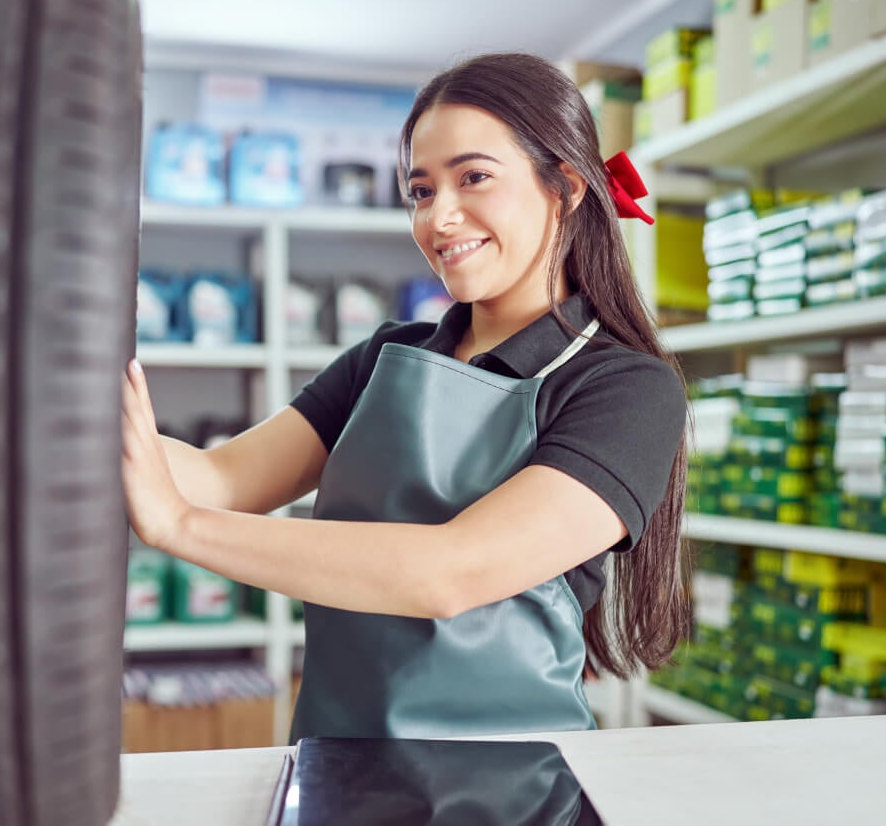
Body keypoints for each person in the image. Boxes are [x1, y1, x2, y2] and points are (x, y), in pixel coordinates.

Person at [121, 52, 690, 742]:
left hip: (507, 780)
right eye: (422, 191)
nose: (439, 218)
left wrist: (180, 528)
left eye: (474, 178)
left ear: (566, 187)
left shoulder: (624, 388)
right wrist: (72, 400)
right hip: (335, 754)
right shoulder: (384, 359)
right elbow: (222, 478)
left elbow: (450, 573)